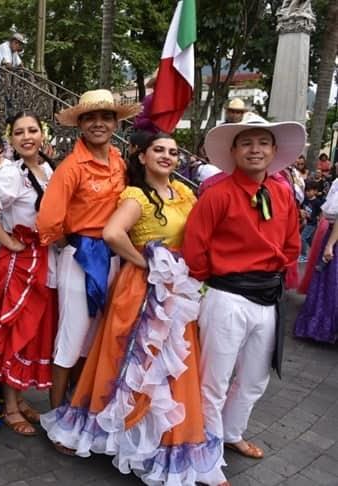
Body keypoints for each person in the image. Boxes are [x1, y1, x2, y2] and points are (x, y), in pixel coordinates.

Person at [41, 133, 227, 485]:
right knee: (137, 363)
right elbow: (112, 233)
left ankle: (159, 443)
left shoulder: (184, 193)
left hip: (176, 290)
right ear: (141, 157)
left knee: (171, 366)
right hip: (143, 289)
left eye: (173, 152)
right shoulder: (136, 195)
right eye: (159, 150)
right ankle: (126, 435)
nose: (167, 156)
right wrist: (146, 262)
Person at [182, 115, 303, 480]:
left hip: (267, 297)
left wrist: (273, 272)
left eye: (262, 143)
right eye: (247, 143)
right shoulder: (217, 194)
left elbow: (292, 241)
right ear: (234, 151)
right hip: (226, 297)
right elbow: (195, 249)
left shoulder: (282, 192)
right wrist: (219, 278)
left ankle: (231, 433)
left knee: (254, 378)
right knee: (213, 381)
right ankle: (204, 455)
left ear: (273, 150)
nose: (255, 149)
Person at [36, 89, 140, 409]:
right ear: (80, 125)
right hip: (81, 256)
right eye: (90, 118)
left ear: (116, 124)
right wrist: (72, 245)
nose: (99, 123)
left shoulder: (119, 162)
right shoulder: (71, 167)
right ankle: (55, 413)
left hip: (111, 257)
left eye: (106, 117)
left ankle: (77, 402)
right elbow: (48, 220)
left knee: (94, 335)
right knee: (72, 334)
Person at [0, 112, 56, 437]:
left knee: (32, 331)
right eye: (19, 132)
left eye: (32, 130)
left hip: (41, 259)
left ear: (42, 133)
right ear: (11, 138)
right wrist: (8, 241)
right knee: (15, 331)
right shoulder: (12, 174)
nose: (27, 137)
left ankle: (19, 397)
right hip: (20, 262)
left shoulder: (46, 168)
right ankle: (9, 406)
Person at [294, 175, 338, 344]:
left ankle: (324, 327)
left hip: (334, 238)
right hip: (331, 234)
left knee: (329, 283)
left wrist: (330, 244)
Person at [0, 33, 25, 127]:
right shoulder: (4, 48)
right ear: (13, 42)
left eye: (20, 45)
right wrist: (16, 69)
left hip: (3, 85)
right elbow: (7, 65)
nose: (19, 46)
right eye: (18, 44)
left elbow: (20, 64)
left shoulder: (13, 52)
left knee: (8, 107)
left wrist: (22, 69)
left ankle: (5, 129)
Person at [299, 181, 322, 262]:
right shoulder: (305, 200)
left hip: (312, 223)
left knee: (302, 238)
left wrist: (319, 220)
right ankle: (317, 253)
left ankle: (304, 255)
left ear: (315, 191)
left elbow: (321, 212)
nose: (307, 192)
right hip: (305, 222)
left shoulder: (317, 202)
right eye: (306, 191)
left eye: (309, 190)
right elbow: (301, 208)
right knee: (308, 239)